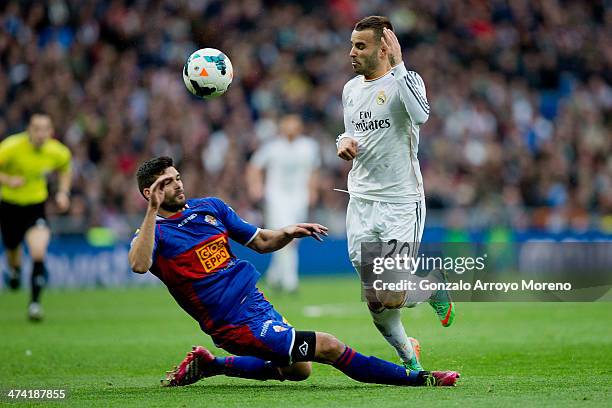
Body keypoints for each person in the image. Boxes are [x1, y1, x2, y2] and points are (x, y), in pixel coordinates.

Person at [128, 156, 459, 387]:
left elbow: (259, 240)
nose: (176, 185)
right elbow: (139, 265)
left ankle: (211, 365)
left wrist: (288, 232)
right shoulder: (154, 232)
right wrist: (153, 211)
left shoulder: (209, 208)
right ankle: (418, 377)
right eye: (166, 183)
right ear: (149, 193)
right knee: (328, 346)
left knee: (299, 370)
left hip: (256, 304)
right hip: (233, 324)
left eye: (177, 178)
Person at [336, 16, 455, 371]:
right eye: (352, 45)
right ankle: (411, 361)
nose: (352, 53)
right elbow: (351, 132)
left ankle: (432, 286)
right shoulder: (350, 89)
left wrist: (400, 65)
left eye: (361, 46)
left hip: (400, 203)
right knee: (374, 298)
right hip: (360, 201)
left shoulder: (408, 79)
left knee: (391, 294)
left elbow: (421, 116)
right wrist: (342, 142)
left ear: (384, 48)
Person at [0, 112, 72, 321]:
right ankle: (14, 271)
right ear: (29, 131)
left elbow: (65, 169)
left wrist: (63, 192)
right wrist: (7, 179)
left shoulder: (57, 151)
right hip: (9, 206)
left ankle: (34, 304)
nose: (41, 134)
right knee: (12, 247)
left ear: (51, 132)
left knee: (38, 251)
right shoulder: (11, 147)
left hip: (35, 208)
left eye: (45, 130)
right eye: (36, 129)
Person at [247, 114, 320, 293]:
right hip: (276, 196)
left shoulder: (309, 146)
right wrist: (255, 186)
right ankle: (290, 281)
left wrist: (312, 190)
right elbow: (254, 166)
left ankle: (274, 276)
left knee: (288, 239)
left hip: (299, 196)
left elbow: (314, 170)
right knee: (289, 236)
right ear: (282, 127)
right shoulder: (272, 147)